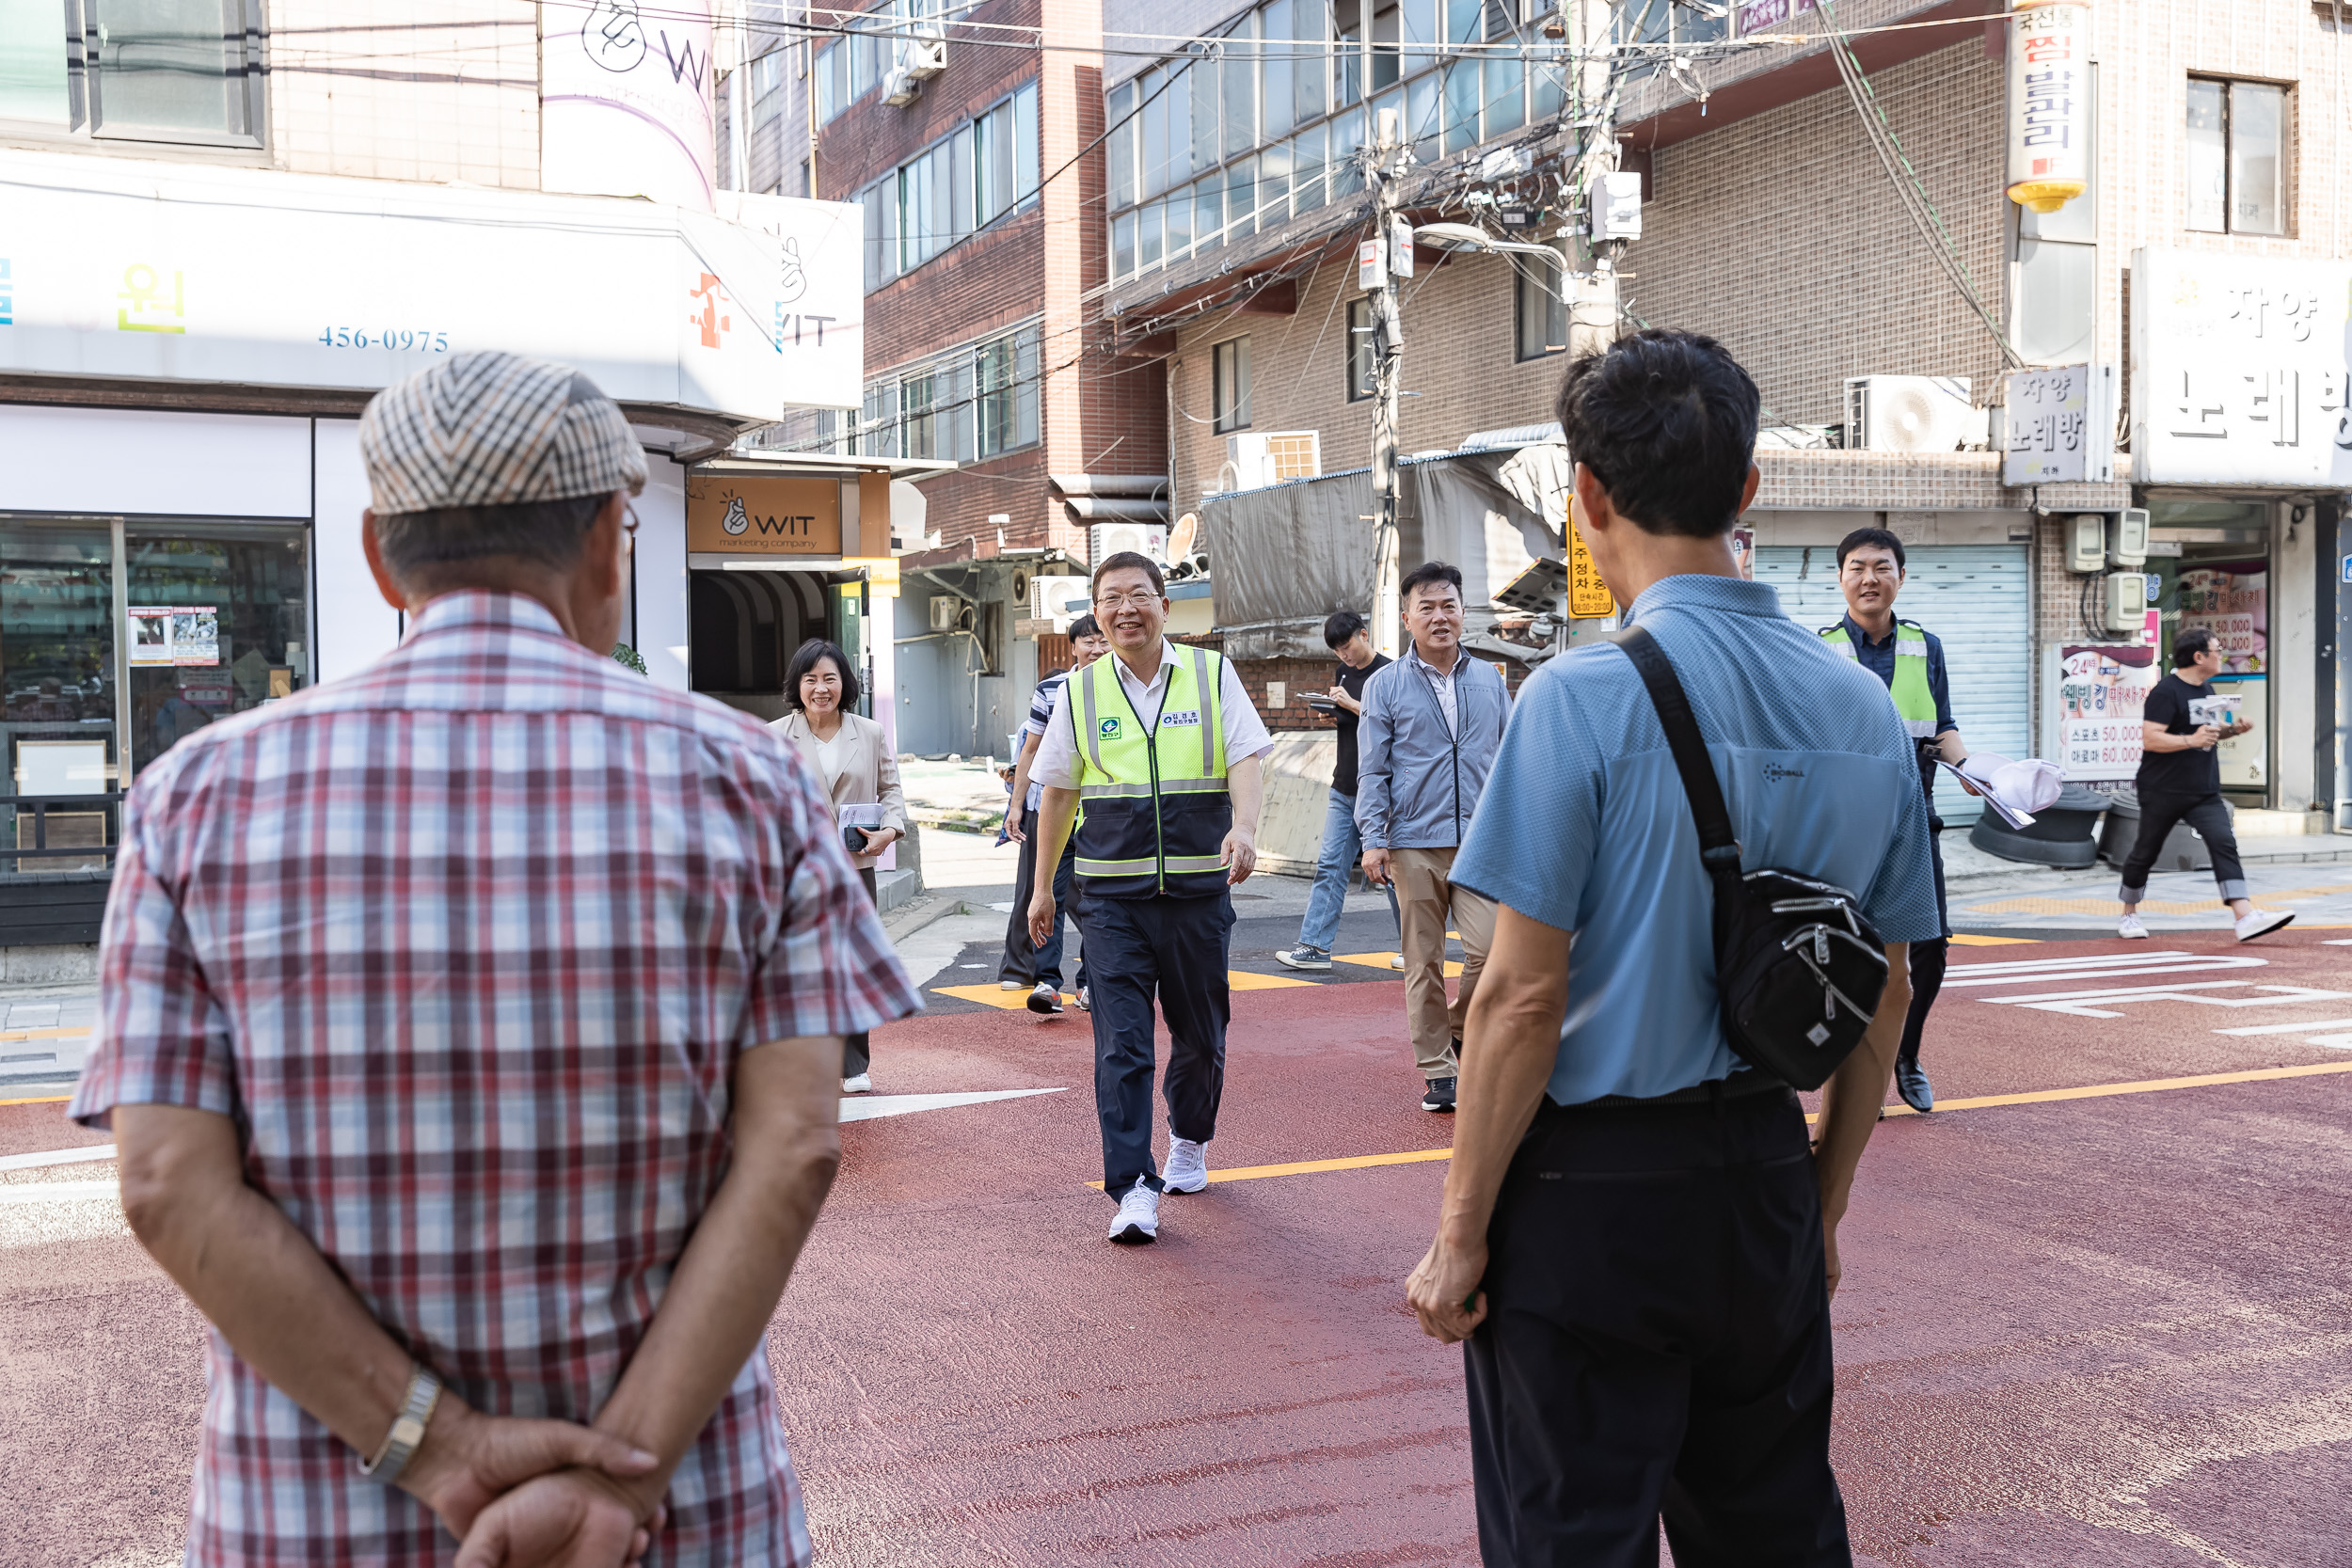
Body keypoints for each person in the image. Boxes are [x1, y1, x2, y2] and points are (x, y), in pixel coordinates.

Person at [71, 350, 921, 1567]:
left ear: (379, 555)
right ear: (603, 549)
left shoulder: (193, 796)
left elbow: (166, 1185)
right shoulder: (752, 778)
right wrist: (617, 1475)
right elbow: (794, 1145)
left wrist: (445, 1445)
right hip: (677, 1511)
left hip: (314, 1519)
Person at [1404, 329, 1941, 1564]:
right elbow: (1886, 990)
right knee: (1774, 1529)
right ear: (1749, 489)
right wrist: (1821, 1201)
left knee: (1571, 1535)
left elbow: (1520, 1000)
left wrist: (1463, 1229)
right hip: (1760, 1175)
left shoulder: (1578, 699)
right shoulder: (1864, 706)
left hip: (1588, 1200)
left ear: (1588, 495)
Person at [1025, 550, 1273, 1245]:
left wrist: (1245, 827)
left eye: (1139, 594)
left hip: (1198, 891)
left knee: (1201, 1035)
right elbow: (1060, 792)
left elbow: (1246, 756)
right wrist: (1043, 887)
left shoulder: (1210, 672)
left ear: (1165, 604)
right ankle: (1133, 1185)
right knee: (1123, 1045)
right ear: (1098, 612)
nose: (1125, 608)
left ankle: (1188, 1137)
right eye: (1112, 598)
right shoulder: (1079, 691)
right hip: (1109, 901)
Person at [1820, 526, 1972, 1113]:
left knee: (1928, 950)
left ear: (1900, 578)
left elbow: (1943, 727)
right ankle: (1854, 1068)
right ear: (1841, 578)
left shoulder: (1925, 647)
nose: (1869, 578)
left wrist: (1980, 771)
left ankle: (1905, 1056)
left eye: (1882, 567)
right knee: (1842, 948)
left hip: (1915, 816)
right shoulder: (1816, 647)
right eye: (1857, 567)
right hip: (1843, 826)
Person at [1355, 562, 1510, 1115]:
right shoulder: (1385, 685)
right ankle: (1438, 1070)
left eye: (1449, 605)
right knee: (1421, 960)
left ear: (1463, 613)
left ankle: (1457, 1031)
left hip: (1481, 841)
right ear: (1407, 619)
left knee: (1491, 953)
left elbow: (1508, 760)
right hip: (1413, 841)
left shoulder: (1490, 679)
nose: (1440, 617)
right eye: (1428, 608)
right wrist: (1374, 839)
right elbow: (1373, 771)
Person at [773, 637, 909, 1093]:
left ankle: (853, 1064)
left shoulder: (868, 733)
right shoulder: (775, 735)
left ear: (844, 683)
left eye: (829, 678)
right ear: (798, 684)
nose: (820, 688)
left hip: (856, 869)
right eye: (810, 679)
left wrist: (890, 831)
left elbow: (890, 791)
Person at [2117, 626, 2292, 942]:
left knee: (2223, 842)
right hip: (2163, 789)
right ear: (2199, 657)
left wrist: (2233, 730)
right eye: (2217, 649)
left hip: (2204, 790)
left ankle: (2244, 915)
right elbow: (2151, 738)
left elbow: (2208, 732)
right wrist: (2190, 740)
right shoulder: (2166, 692)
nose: (2221, 654)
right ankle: (2129, 913)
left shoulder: (2206, 690)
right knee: (2146, 850)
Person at [1275, 610, 1403, 973]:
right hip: (1345, 782)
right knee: (1330, 866)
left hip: (1382, 789)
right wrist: (1332, 710)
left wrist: (1350, 704)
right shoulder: (1343, 672)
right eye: (1337, 651)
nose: (1344, 656)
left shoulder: (1391, 673)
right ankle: (1314, 947)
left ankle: (1417, 946)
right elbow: (1355, 721)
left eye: (1347, 646)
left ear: (1364, 634)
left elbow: (1397, 723)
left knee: (1392, 871)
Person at [1000, 612, 1111, 1014]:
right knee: (1047, 894)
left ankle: (1089, 983)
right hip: (1055, 808)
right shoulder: (1052, 689)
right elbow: (1030, 748)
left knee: (1097, 899)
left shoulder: (1122, 686)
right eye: (1089, 642)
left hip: (1104, 813)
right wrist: (1015, 805)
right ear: (1073, 648)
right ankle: (1047, 981)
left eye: (1103, 641)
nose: (1097, 649)